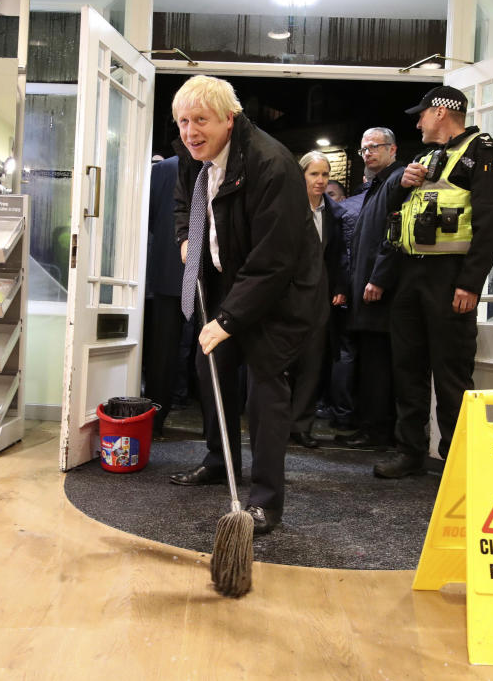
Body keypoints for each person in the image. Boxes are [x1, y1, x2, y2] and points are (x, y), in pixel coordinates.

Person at [167, 75, 326, 535]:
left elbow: (274, 261)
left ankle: (265, 500)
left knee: (264, 386)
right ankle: (220, 460)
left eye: (201, 120)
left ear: (229, 119)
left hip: (280, 290)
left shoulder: (271, 165)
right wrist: (185, 237)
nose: (190, 131)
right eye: (183, 121)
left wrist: (229, 319)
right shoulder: (191, 154)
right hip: (226, 275)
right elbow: (186, 201)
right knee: (209, 367)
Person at [374, 86, 493, 479]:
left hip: (451, 277)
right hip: (411, 274)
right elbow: (395, 215)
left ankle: (457, 461)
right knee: (408, 368)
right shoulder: (424, 158)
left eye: (422, 114)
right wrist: (401, 185)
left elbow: (492, 222)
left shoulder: (484, 152)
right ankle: (410, 452)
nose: (417, 122)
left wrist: (470, 284)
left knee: (451, 374)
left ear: (442, 112)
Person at [339, 128, 404, 451]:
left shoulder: (398, 180)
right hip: (364, 289)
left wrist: (378, 278)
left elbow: (394, 234)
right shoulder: (377, 185)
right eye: (363, 149)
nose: (368, 153)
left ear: (392, 149)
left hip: (382, 293)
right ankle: (371, 427)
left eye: (375, 147)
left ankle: (378, 432)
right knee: (369, 363)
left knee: (379, 365)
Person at [287, 151, 346, 448]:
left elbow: (337, 256)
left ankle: (301, 426)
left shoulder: (334, 213)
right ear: (302, 175)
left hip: (320, 297)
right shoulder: (286, 208)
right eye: (314, 174)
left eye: (325, 174)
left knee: (312, 363)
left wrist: (338, 286)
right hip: (287, 294)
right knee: (282, 362)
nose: (321, 180)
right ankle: (276, 422)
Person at [143, 155, 183, 436]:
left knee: (165, 351)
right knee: (164, 352)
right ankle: (156, 418)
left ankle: (157, 420)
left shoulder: (165, 169)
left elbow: (151, 218)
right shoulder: (167, 169)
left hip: (178, 268)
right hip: (173, 268)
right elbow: (152, 218)